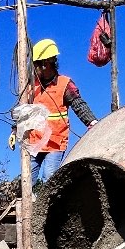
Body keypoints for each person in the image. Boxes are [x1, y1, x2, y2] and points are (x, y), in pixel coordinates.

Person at [19, 39, 98, 184]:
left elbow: (78, 104)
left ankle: (49, 206)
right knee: (26, 180)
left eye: (36, 64)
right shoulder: (30, 88)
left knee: (49, 177)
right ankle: (28, 206)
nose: (34, 68)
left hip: (55, 142)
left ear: (45, 63)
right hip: (35, 142)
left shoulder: (65, 84)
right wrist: (14, 130)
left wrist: (92, 122)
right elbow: (24, 112)